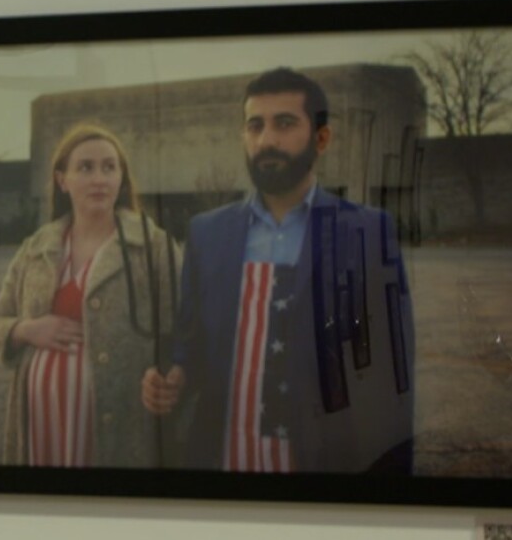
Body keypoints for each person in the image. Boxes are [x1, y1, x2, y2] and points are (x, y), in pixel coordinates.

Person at [142, 68, 414, 473]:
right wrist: (174, 377)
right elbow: (190, 343)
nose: (266, 140)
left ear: (321, 138)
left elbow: (391, 383)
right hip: (223, 463)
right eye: (255, 126)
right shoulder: (206, 233)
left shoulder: (367, 232)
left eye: (285, 124)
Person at [0, 122, 181, 468]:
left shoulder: (154, 247)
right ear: (63, 180)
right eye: (85, 167)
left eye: (109, 167)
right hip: (39, 429)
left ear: (121, 178)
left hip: (119, 432)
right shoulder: (35, 249)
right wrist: (25, 329)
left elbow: (183, 335)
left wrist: (173, 377)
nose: (99, 178)